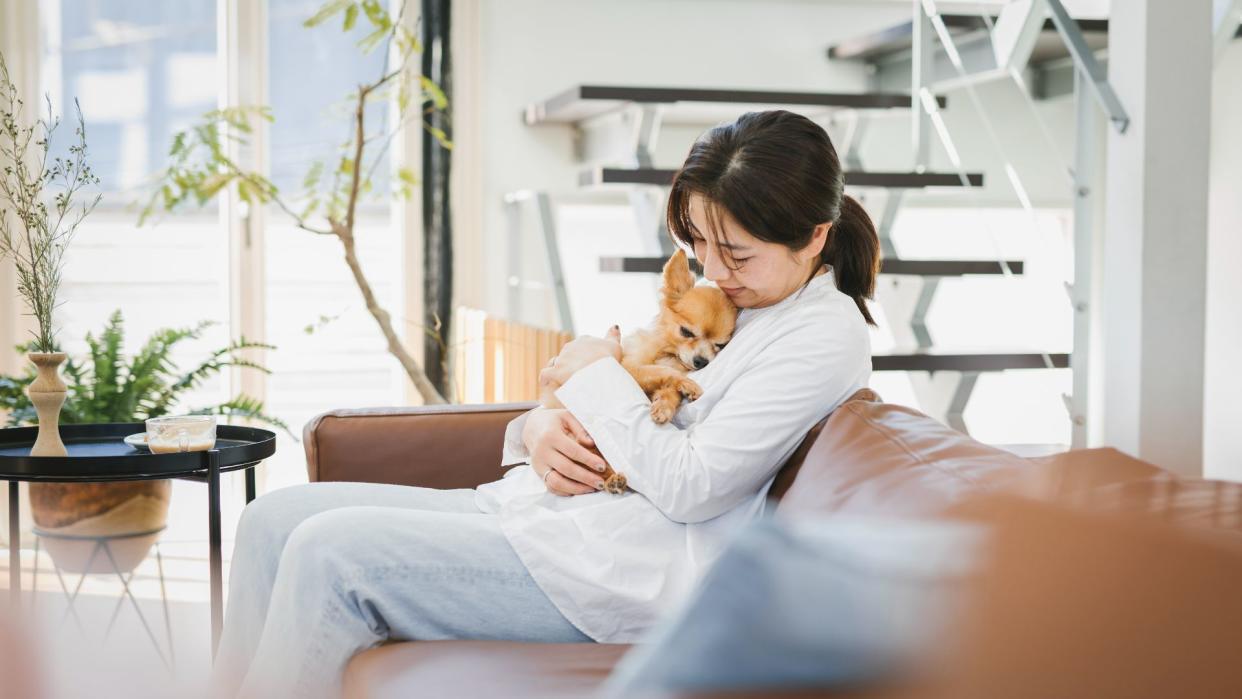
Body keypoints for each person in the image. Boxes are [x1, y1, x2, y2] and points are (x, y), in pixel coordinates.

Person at [209, 109, 879, 698]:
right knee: (272, 519)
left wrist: (595, 375)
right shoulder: (749, 298)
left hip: (622, 572)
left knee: (330, 552)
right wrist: (539, 427)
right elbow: (628, 399)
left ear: (814, 237)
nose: (712, 271)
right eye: (697, 245)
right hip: (561, 520)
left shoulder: (823, 333)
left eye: (735, 252)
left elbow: (692, 485)